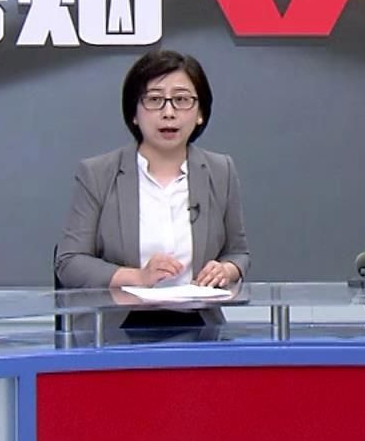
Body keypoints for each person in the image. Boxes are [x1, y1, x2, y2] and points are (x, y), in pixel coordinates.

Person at [57, 50, 249, 327]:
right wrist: (138, 277)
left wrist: (225, 270)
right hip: (116, 327)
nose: (168, 113)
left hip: (199, 324)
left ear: (200, 113)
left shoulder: (221, 171)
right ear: (134, 113)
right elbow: (69, 262)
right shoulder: (98, 174)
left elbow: (238, 253)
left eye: (181, 100)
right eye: (155, 100)